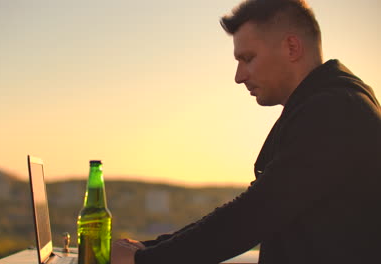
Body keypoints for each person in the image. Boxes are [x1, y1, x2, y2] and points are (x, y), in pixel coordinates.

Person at [112, 0, 381, 263]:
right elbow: (256, 209)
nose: (239, 76)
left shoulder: (335, 109)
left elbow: (253, 215)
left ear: (291, 47)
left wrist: (146, 259)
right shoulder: (330, 104)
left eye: (248, 58)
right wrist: (146, 248)